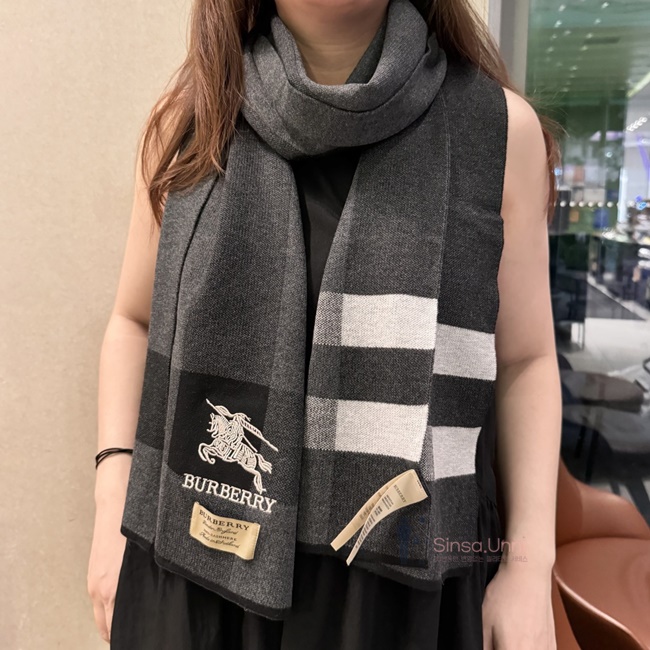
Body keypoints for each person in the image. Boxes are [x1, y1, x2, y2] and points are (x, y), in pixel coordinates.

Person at [87, 0, 563, 648]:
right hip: (195, 558)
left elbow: (526, 360)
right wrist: (111, 498)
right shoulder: (191, 117)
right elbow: (132, 321)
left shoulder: (497, 130)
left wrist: (530, 568)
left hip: (402, 585)